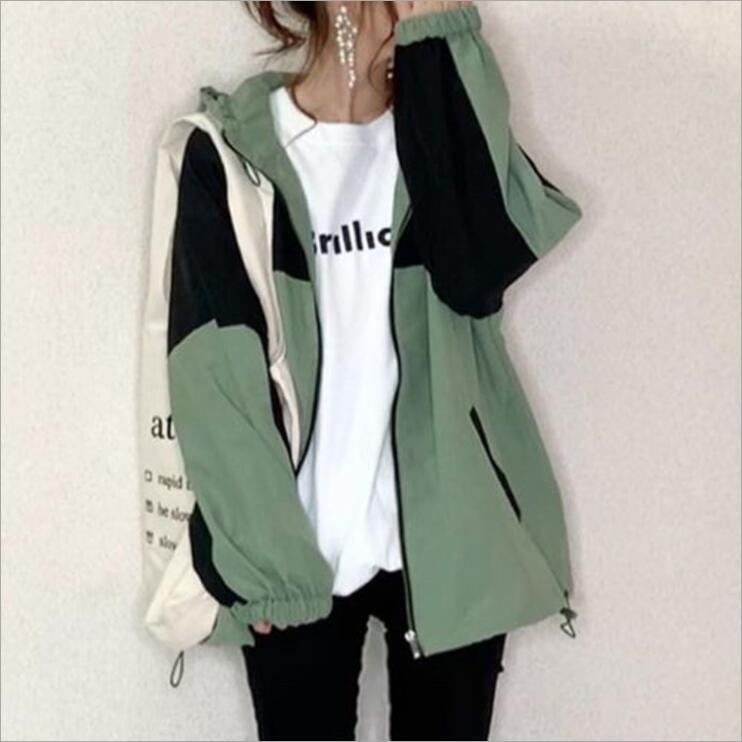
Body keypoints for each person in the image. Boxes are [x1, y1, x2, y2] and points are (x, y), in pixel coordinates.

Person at [164, 1, 582, 739]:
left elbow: (479, 273)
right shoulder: (231, 155)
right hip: (293, 549)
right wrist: (263, 567)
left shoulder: (437, 137)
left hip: (451, 535)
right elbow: (215, 380)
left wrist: (446, 46)